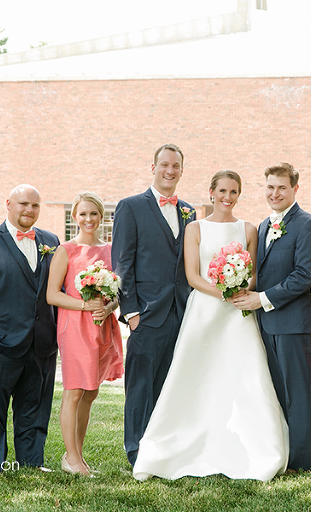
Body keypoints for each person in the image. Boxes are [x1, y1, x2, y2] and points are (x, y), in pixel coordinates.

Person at [133, 170, 289, 481]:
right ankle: (179, 444)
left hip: (237, 315)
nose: (227, 198)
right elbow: (193, 276)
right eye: (222, 191)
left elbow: (254, 274)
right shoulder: (195, 228)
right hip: (205, 310)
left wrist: (239, 288)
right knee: (195, 374)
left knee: (243, 372)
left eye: (234, 192)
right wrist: (224, 292)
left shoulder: (248, 229)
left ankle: (254, 447)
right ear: (211, 192)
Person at [0, 184, 59, 473]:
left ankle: (31, 461)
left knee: (35, 407)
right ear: (8, 204)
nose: (29, 210)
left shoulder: (51, 242)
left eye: (35, 206)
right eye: (23, 204)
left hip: (41, 344)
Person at [232, 162, 311, 473]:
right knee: (275, 391)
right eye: (270, 187)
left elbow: (303, 276)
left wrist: (262, 299)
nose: (275, 193)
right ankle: (279, 452)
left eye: (282, 187)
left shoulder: (308, 224)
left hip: (293, 323)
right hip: (264, 322)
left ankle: (298, 461)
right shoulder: (261, 226)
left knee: (298, 392)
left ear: (295, 189)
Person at [111, 143, 195, 466]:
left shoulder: (189, 211)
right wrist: (131, 313)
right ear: (153, 167)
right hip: (145, 316)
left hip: (181, 315)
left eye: (176, 166)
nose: (170, 171)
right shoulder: (130, 207)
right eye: (164, 165)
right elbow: (123, 264)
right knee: (140, 387)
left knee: (169, 387)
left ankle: (163, 449)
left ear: (182, 171)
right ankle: (136, 451)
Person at [46, 192, 123, 476]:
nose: (88, 219)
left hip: (102, 325)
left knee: (91, 392)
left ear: (102, 217)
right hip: (75, 328)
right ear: (74, 217)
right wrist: (83, 305)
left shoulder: (112, 250)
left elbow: (118, 293)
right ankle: (73, 459)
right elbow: (52, 295)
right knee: (75, 391)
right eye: (82, 214)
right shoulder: (65, 250)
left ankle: (75, 455)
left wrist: (109, 306)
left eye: (93, 214)